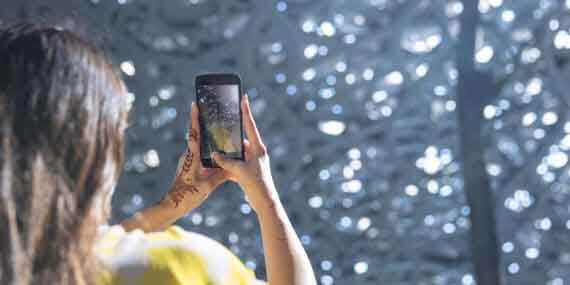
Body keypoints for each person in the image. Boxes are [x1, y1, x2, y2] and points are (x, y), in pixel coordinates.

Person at [0, 24, 316, 285]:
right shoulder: (178, 265)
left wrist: (168, 206)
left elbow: (79, 253)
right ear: (93, 148)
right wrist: (265, 198)